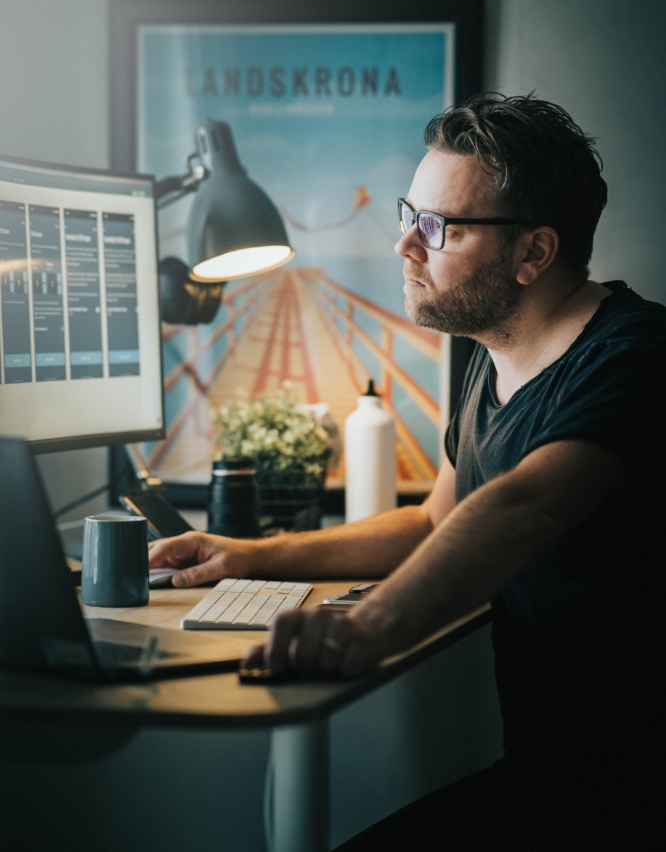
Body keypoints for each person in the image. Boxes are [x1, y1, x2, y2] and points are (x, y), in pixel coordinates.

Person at [150, 94, 665, 849]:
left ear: (534, 254)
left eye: (437, 227)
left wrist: (370, 627)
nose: (404, 246)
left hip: (623, 793)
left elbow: (527, 506)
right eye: (407, 214)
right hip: (548, 774)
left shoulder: (636, 354)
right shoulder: (492, 361)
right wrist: (247, 557)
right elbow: (435, 522)